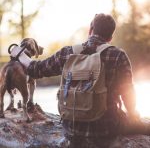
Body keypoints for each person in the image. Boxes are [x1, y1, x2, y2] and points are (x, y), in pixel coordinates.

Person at [11, 13, 150, 148]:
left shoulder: (68, 53)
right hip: (108, 128)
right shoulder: (118, 55)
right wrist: (133, 116)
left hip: (72, 128)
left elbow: (36, 69)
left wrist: (18, 53)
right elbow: (128, 94)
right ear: (110, 37)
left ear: (90, 30)